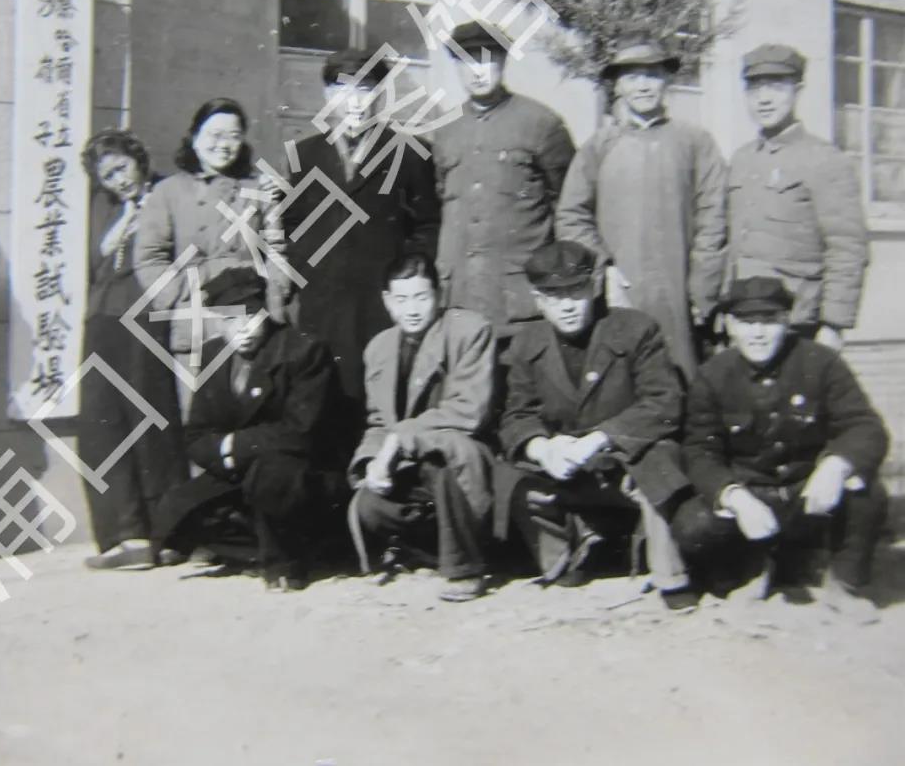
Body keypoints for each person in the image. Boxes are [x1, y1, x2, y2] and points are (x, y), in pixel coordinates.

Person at [494, 240, 697, 610]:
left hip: (624, 458)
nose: (567, 305)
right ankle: (569, 556)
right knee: (510, 476)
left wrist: (601, 438)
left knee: (661, 459)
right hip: (567, 465)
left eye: (575, 292)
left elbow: (664, 402)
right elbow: (516, 416)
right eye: (554, 296)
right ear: (538, 300)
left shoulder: (635, 329)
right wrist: (543, 448)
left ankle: (671, 575)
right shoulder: (527, 343)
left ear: (593, 288)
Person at [672, 277, 888, 620]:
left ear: (787, 321)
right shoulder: (713, 375)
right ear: (730, 325)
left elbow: (865, 426)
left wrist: (835, 466)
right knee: (692, 524)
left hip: (808, 492)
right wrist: (734, 496)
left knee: (866, 491)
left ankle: (843, 584)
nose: (758, 333)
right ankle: (748, 572)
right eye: (747, 322)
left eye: (769, 321)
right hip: (753, 496)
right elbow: (699, 451)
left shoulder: (821, 362)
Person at [282, 48, 439, 453]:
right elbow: (291, 224)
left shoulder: (411, 153)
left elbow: (426, 226)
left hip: (379, 307)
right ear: (327, 95)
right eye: (343, 90)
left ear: (380, 94)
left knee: (377, 402)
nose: (355, 101)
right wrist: (307, 273)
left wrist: (403, 283)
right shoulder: (303, 156)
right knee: (321, 404)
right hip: (322, 305)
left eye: (366, 89)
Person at [152, 267, 341, 590]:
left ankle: (285, 564)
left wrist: (232, 447)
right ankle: (266, 549)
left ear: (265, 311)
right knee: (178, 510)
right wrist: (228, 454)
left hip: (295, 472)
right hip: (240, 471)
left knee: (275, 480)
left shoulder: (303, 350)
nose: (242, 329)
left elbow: (301, 431)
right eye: (230, 319)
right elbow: (196, 434)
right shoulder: (214, 354)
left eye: (251, 316)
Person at [557, 30, 727, 378]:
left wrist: (702, 288)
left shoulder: (695, 142)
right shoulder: (599, 147)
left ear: (667, 80)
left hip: (679, 290)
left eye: (652, 75)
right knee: (621, 377)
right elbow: (571, 216)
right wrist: (604, 270)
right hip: (620, 291)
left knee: (680, 376)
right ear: (618, 86)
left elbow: (714, 218)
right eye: (633, 77)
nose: (644, 86)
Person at [348, 253, 495, 602]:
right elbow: (378, 421)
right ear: (387, 301)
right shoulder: (379, 348)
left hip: (459, 458)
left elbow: (468, 410)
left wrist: (400, 439)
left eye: (421, 297)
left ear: (439, 295)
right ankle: (421, 553)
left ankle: (465, 568)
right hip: (406, 465)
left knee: (443, 463)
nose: (412, 310)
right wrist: (370, 463)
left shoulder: (469, 330)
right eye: (401, 300)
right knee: (367, 506)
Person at [78, 129, 182, 571]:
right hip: (102, 319)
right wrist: (126, 214)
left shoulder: (168, 192)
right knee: (102, 424)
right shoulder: (101, 208)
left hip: (148, 317)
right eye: (108, 176)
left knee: (151, 423)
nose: (118, 180)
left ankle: (170, 533)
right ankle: (126, 536)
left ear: (139, 160)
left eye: (122, 168)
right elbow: (96, 256)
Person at [431, 20, 575, 332]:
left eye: (486, 60)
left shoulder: (542, 124)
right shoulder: (445, 131)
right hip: (458, 300)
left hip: (520, 303)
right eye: (466, 61)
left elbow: (568, 207)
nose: (477, 71)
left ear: (503, 61)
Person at [134, 98, 287, 382]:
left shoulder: (260, 188)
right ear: (194, 138)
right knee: (199, 403)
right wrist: (180, 294)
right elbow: (149, 258)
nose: (224, 145)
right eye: (215, 135)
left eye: (234, 136)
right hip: (196, 318)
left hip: (252, 318)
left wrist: (275, 308)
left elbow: (276, 251)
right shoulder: (167, 192)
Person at [728, 43, 868, 349]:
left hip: (797, 321)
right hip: (743, 321)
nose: (764, 99)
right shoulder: (741, 159)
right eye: (754, 89)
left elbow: (847, 247)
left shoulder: (824, 159)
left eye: (776, 87)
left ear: (797, 90)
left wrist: (833, 324)